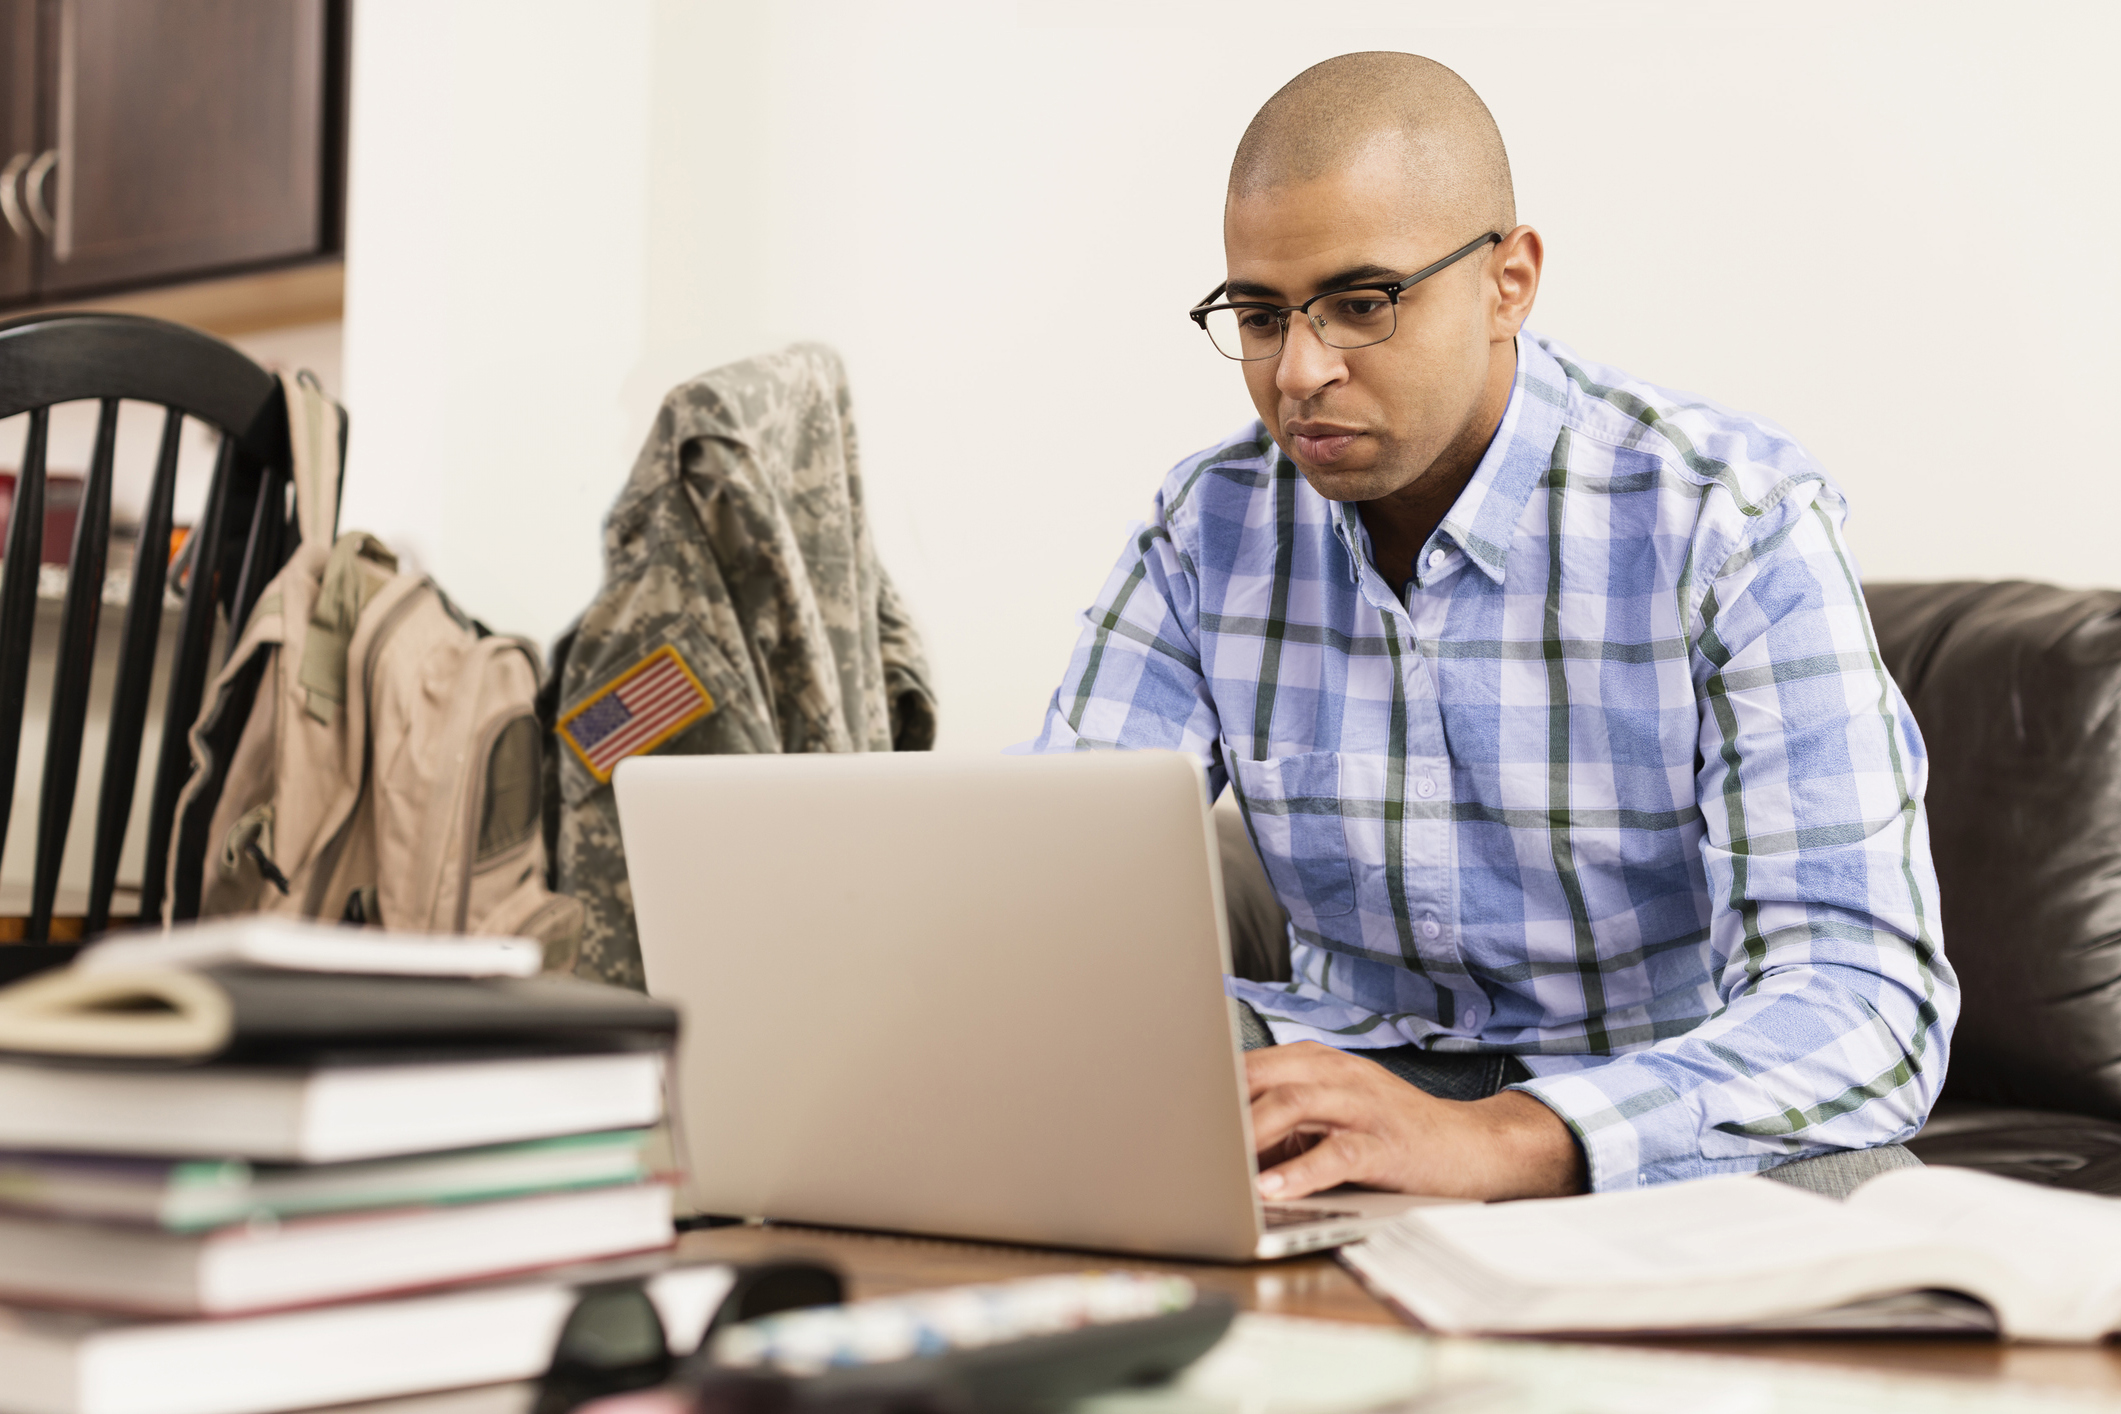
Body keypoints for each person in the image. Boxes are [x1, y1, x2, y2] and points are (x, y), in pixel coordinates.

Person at [1025, 52, 1955, 1201]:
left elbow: (1863, 1002)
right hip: (1340, 1083)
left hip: (1652, 1110)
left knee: (1863, 1191)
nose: (1299, 372)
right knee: (1036, 1085)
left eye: (1363, 303)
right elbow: (1056, 915)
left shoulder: (1731, 522)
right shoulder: (1205, 528)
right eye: (1261, 316)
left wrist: (1499, 1138)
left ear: (1509, 280)